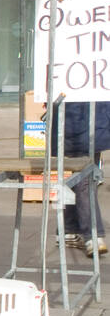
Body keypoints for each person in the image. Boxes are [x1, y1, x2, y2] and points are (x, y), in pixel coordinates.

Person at [63, 100, 110, 256]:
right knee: (85, 180)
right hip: (85, 124)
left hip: (82, 123)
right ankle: (92, 235)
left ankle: (68, 229)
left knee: (79, 177)